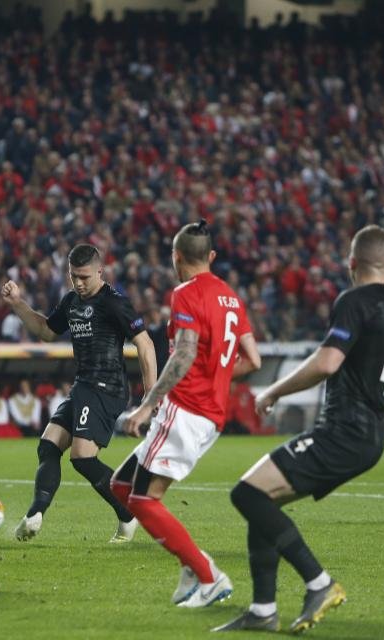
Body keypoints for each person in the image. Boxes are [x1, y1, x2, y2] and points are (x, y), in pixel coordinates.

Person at [214, 225, 384, 633]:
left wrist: (273, 390)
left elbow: (327, 362)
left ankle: (319, 583)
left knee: (247, 493)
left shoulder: (354, 300)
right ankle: (262, 612)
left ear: (352, 263)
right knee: (263, 498)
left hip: (342, 431)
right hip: (368, 437)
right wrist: (378, 404)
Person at [111, 221, 262, 608]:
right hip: (209, 413)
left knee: (143, 500)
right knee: (121, 487)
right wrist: (217, 377)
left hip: (185, 409)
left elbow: (184, 352)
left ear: (176, 257)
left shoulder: (185, 293)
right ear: (210, 257)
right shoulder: (231, 296)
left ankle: (208, 575)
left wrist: (146, 405)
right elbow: (253, 359)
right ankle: (192, 567)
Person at [2, 243, 157, 543]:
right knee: (48, 446)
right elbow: (47, 331)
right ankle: (35, 515)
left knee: (83, 458)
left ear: (100, 271)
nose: (80, 283)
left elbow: (145, 344)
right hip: (83, 387)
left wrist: (149, 399)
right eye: (75, 276)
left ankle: (130, 506)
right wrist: (18, 303)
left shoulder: (114, 302)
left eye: (85, 276)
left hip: (106, 388)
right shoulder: (71, 301)